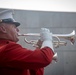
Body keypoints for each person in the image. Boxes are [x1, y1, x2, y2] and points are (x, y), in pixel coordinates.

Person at [0, 9, 55, 75]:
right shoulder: (7, 49)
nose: (18, 30)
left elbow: (34, 72)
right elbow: (45, 58)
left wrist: (40, 48)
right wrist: (47, 40)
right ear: (3, 29)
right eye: (14, 27)